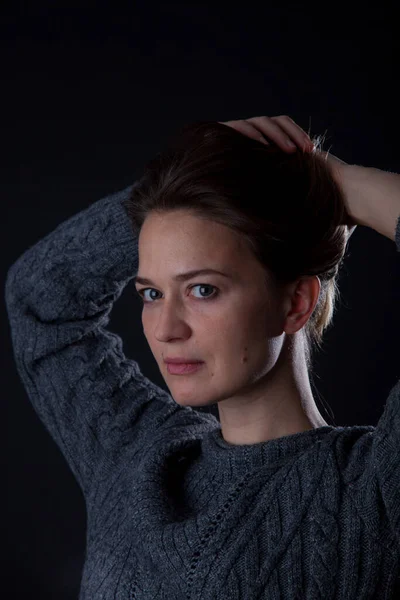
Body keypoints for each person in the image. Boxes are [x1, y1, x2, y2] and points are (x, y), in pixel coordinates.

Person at [5, 114, 400, 598]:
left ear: (295, 302)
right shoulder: (136, 454)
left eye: (203, 289)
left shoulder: (373, 490)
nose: (167, 329)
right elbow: (40, 299)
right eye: (151, 294)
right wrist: (189, 189)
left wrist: (342, 184)